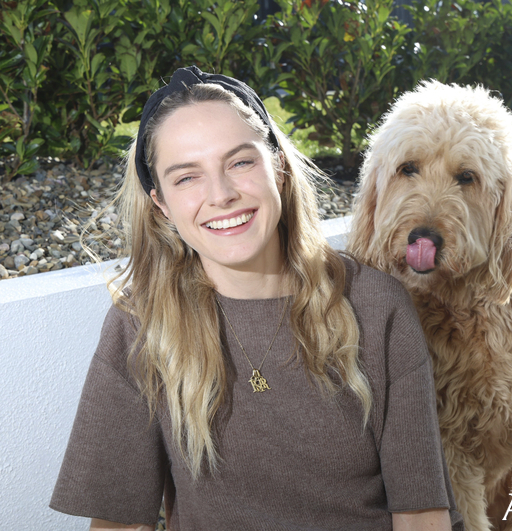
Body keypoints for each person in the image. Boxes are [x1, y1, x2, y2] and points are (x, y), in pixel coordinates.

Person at [50, 66, 464, 531]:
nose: (222, 195)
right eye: (187, 178)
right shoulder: (142, 323)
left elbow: (422, 514)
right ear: (161, 204)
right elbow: (120, 523)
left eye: (240, 162)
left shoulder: (377, 306)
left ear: (279, 169)